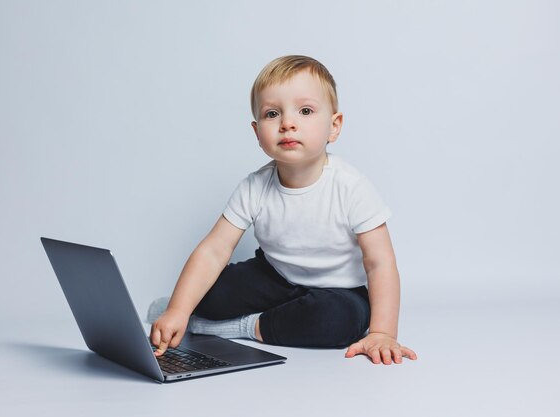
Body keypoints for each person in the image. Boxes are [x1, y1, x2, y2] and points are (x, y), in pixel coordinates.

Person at [149, 55, 417, 365]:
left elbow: (380, 262)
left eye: (305, 111)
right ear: (256, 131)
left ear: (334, 126)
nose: (287, 123)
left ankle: (240, 327)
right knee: (208, 292)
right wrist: (178, 309)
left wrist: (383, 333)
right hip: (274, 276)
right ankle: (179, 317)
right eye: (272, 113)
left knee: (339, 321)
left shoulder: (351, 186)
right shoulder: (255, 186)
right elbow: (214, 250)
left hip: (338, 290)